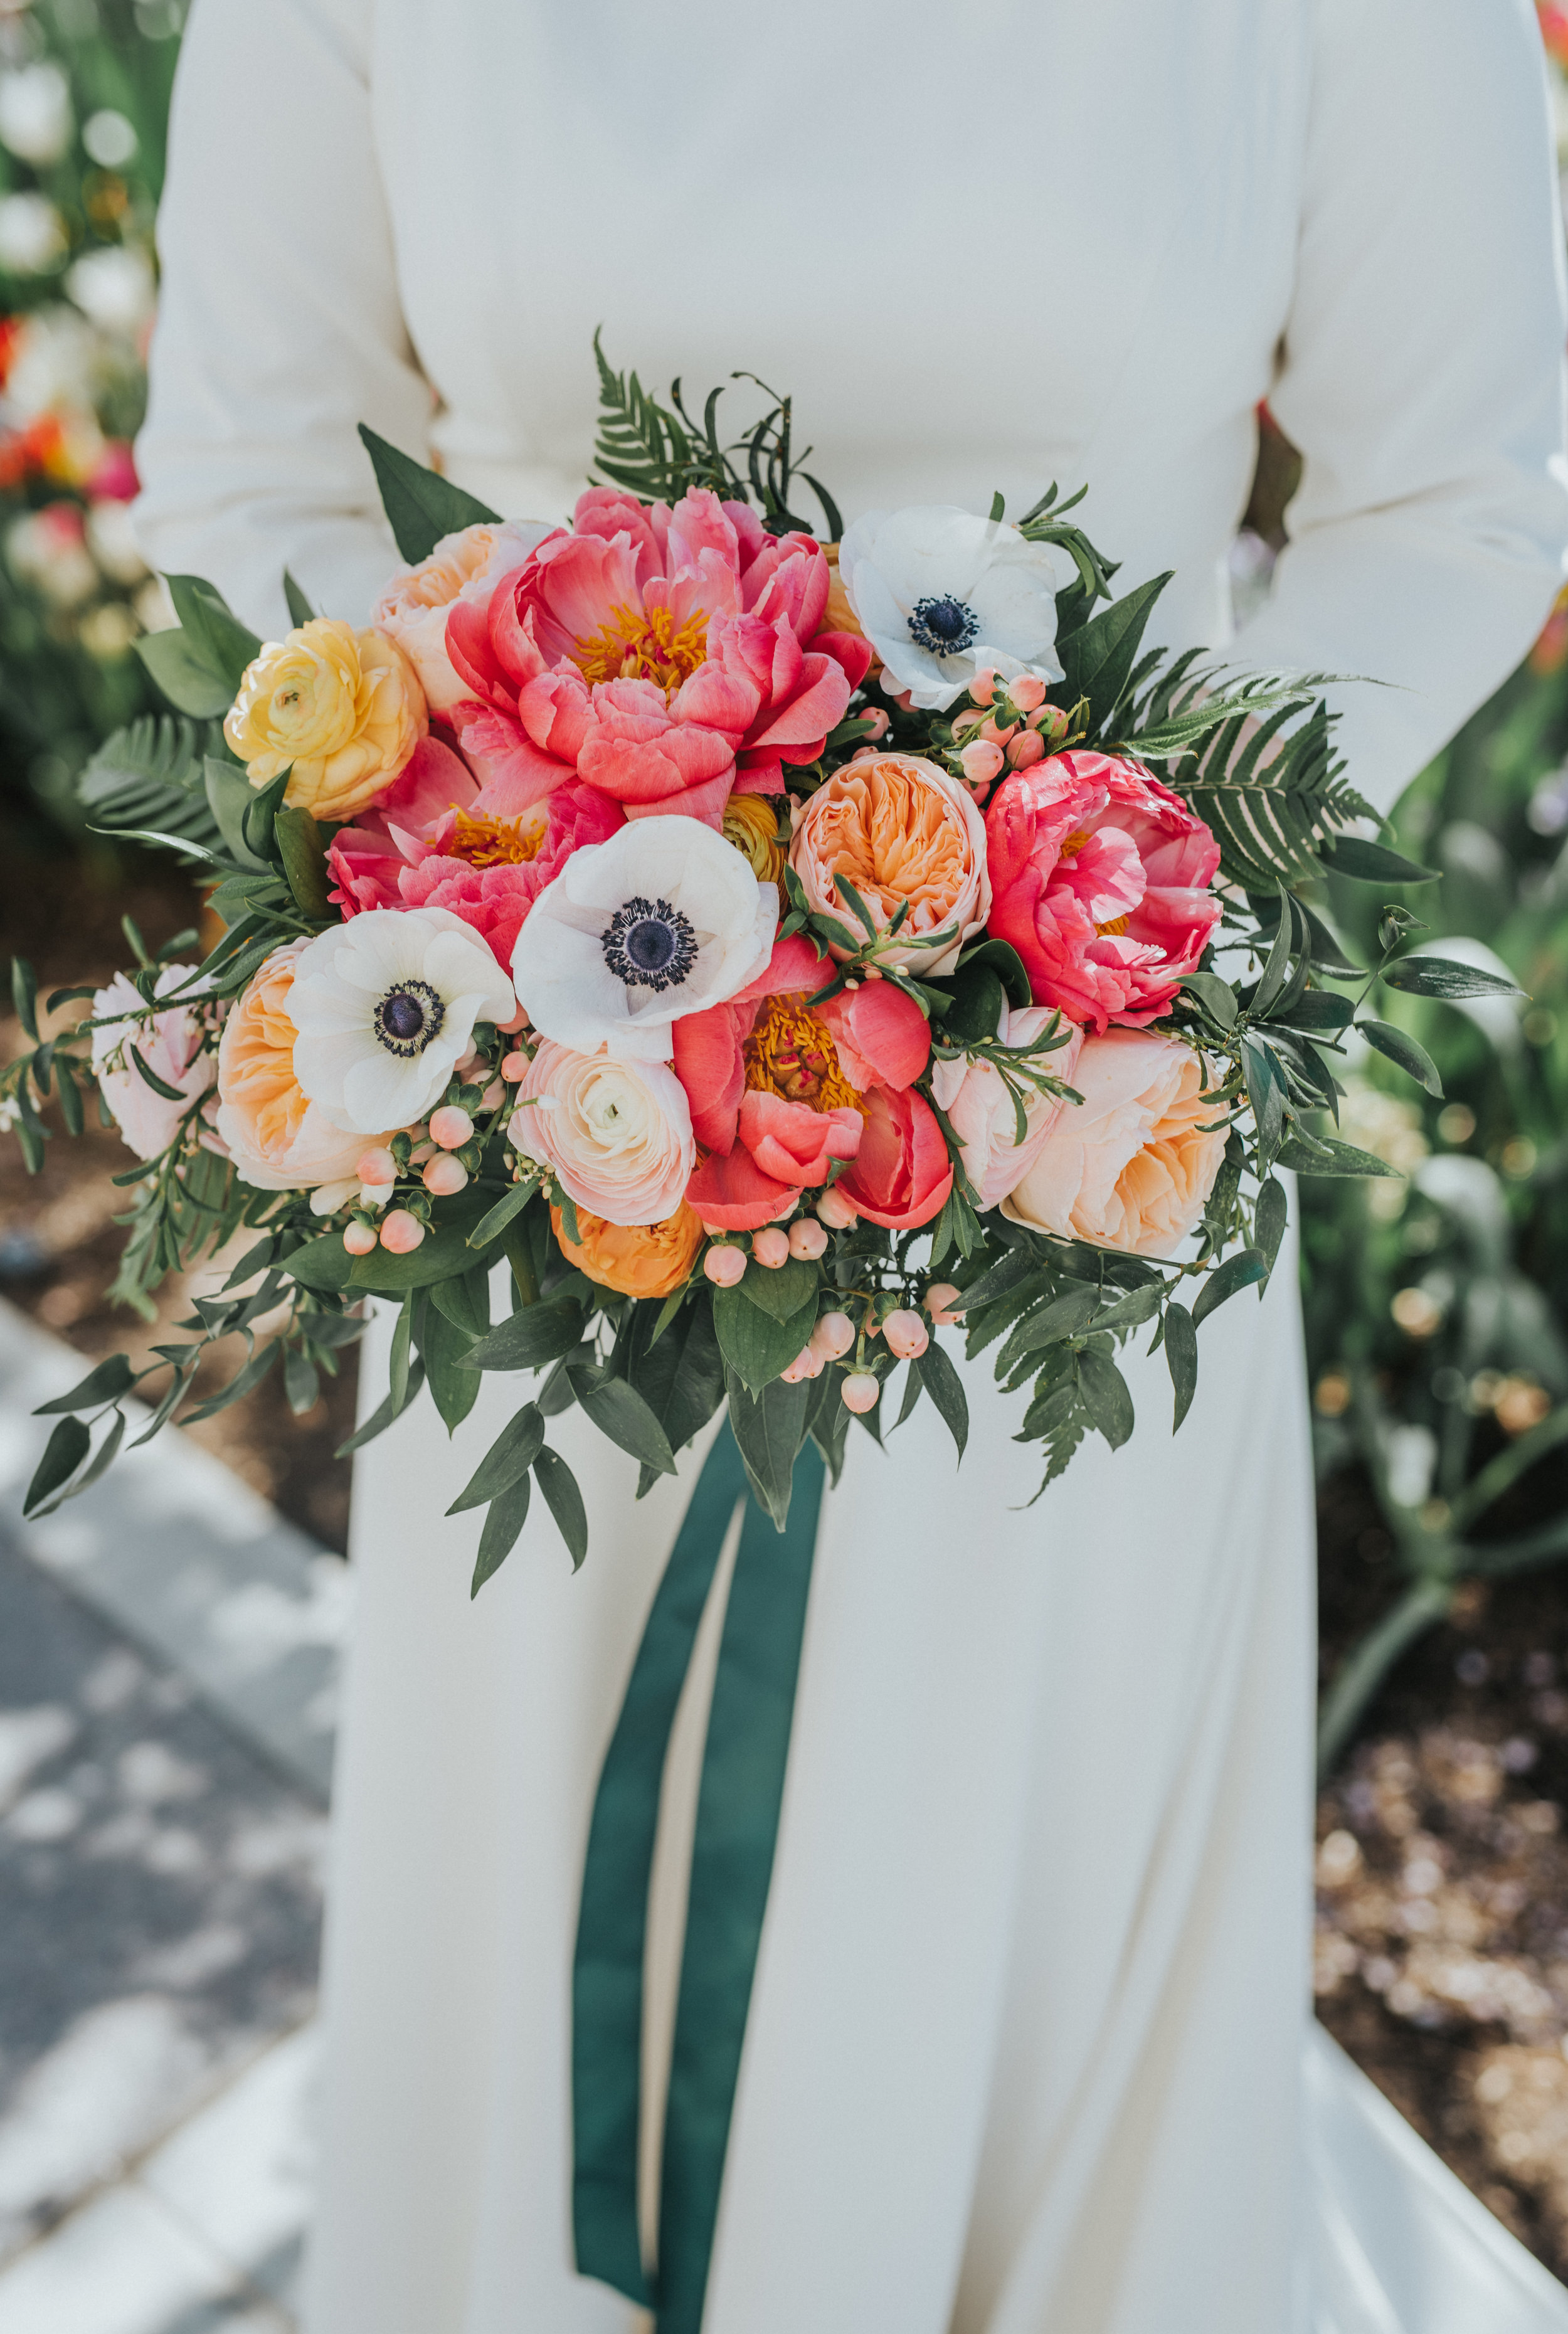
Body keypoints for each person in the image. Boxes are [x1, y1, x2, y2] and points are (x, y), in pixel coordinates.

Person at [134, 3, 1568, 2328]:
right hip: (547, 1127)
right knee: (538, 1871)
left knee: (982, 1896)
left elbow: (1454, 497)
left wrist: (1113, 919)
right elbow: (256, 464)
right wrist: (519, 895)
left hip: (1077, 1148)